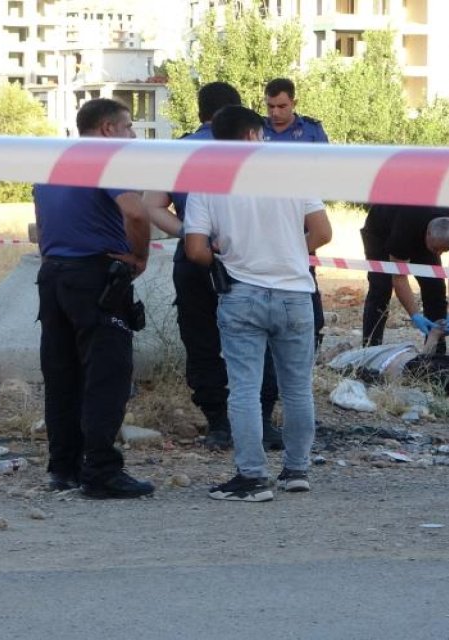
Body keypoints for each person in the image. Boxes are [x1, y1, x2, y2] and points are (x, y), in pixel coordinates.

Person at [184, 105, 331, 502]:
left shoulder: (207, 182)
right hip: (296, 293)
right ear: (255, 134)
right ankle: (297, 470)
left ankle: (252, 477)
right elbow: (322, 230)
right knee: (298, 388)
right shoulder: (291, 172)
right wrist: (289, 254)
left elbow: (195, 250)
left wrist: (223, 255)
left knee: (244, 390)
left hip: (241, 294)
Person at [143, 81, 281, 452]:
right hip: (250, 260)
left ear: (200, 111)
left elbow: (153, 205)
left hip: (194, 260)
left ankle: (219, 423)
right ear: (239, 111)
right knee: (259, 339)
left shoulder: (180, 150)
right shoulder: (259, 151)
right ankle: (262, 422)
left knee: (202, 341)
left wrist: (192, 232)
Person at [34, 98, 154, 499]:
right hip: (95, 277)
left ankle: (63, 468)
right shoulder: (106, 158)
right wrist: (140, 255)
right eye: (128, 126)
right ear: (107, 130)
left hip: (53, 276)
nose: (132, 136)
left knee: (63, 376)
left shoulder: (52, 161)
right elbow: (135, 213)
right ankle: (101, 469)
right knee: (106, 374)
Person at [262, 77, 329, 351]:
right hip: (263, 218)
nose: (275, 113)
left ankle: (310, 336)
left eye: (281, 106)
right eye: (270, 107)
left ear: (294, 103)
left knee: (303, 274)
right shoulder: (255, 129)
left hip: (300, 218)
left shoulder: (311, 131)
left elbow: (327, 172)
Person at [360, 204, 449, 348]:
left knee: (435, 287)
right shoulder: (404, 231)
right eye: (437, 249)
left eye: (446, 250)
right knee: (381, 287)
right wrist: (415, 315)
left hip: (419, 229)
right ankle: (370, 347)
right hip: (381, 230)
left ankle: (436, 349)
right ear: (428, 234)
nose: (439, 254)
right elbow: (399, 278)